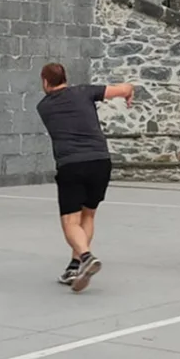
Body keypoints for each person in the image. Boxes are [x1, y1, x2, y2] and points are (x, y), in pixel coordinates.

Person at [35, 63, 135, 292]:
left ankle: (86, 257)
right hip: (100, 162)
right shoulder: (84, 92)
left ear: (45, 81)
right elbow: (124, 88)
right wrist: (129, 91)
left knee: (70, 221)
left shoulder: (44, 107)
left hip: (71, 165)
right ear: (65, 77)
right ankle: (74, 266)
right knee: (88, 215)